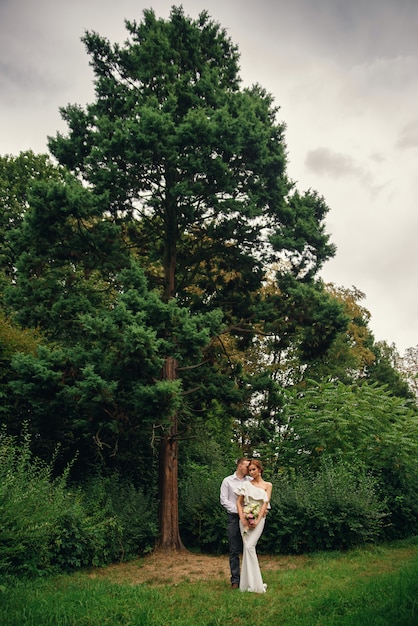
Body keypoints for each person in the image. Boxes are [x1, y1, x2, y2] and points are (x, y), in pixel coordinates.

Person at [235, 459, 272, 593]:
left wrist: (257, 519)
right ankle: (247, 585)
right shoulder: (246, 485)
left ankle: (256, 585)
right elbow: (239, 503)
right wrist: (243, 518)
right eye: (249, 470)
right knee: (247, 548)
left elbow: (265, 504)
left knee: (250, 546)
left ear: (260, 470)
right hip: (245, 519)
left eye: (254, 469)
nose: (251, 472)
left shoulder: (268, 485)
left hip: (259, 520)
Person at [220, 457, 251, 588]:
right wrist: (238, 511)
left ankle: (248, 579)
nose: (248, 469)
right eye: (246, 466)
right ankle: (235, 580)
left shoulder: (250, 481)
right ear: (239, 466)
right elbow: (224, 500)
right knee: (234, 549)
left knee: (248, 547)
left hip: (249, 517)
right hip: (233, 517)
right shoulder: (227, 481)